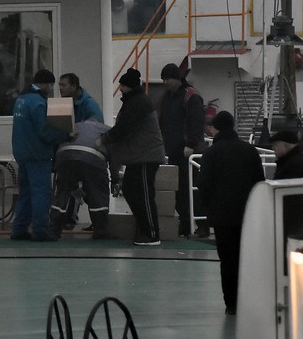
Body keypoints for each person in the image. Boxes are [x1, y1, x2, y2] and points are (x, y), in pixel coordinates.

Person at [198, 111, 265, 315]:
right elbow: (259, 182)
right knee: (247, 257)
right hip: (248, 214)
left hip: (222, 216)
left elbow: (203, 184)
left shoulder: (212, 153)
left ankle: (232, 304)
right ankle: (250, 299)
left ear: (215, 128)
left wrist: (210, 207)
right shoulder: (250, 151)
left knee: (227, 260)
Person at [100, 67, 166, 246]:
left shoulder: (137, 103)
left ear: (128, 86)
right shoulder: (134, 102)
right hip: (138, 156)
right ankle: (145, 229)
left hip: (146, 156)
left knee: (143, 194)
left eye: (122, 85)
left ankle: (152, 234)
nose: (119, 88)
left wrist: (104, 140)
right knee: (130, 190)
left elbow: (124, 128)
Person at [10, 69, 70, 241]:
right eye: (50, 85)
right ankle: (41, 230)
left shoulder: (21, 100)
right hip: (37, 154)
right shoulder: (38, 103)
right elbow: (44, 131)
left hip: (22, 153)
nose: (51, 89)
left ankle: (19, 229)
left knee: (25, 193)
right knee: (41, 193)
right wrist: (66, 135)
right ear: (44, 84)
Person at [157, 62, 208, 237]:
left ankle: (201, 225)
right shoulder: (169, 97)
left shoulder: (190, 96)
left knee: (194, 189)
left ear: (177, 79)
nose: (165, 83)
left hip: (189, 152)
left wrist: (191, 145)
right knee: (180, 191)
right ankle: (186, 223)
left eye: (167, 79)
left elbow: (197, 121)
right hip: (174, 150)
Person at [48, 119, 112, 240]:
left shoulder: (75, 125)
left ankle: (54, 230)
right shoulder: (106, 130)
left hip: (64, 157)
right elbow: (114, 156)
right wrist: (115, 178)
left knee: (62, 193)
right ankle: (100, 231)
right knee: (98, 193)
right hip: (92, 158)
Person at [58, 72, 104, 230]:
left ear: (74, 86)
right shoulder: (64, 104)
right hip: (71, 153)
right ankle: (69, 218)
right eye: (59, 85)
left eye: (63, 85)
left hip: (86, 153)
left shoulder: (89, 105)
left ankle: (95, 222)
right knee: (71, 185)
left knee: (87, 186)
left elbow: (97, 127)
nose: (60, 88)